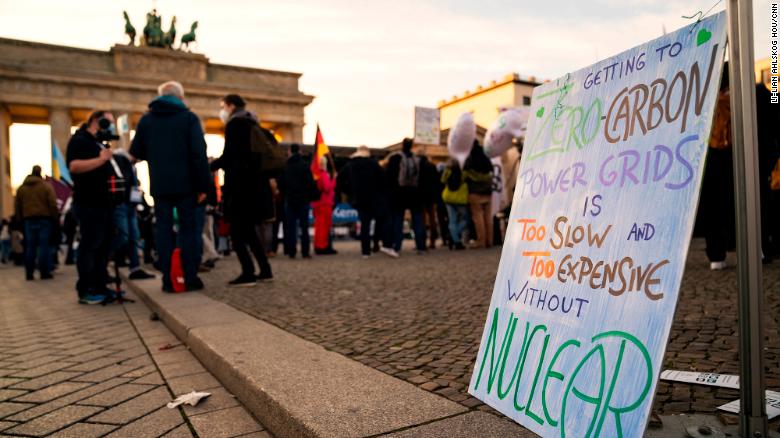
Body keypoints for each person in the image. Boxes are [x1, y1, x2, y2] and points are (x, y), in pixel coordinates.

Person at [130, 81, 212, 292]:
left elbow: (136, 151)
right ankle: (189, 276)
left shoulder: (147, 120)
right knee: (189, 230)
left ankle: (168, 278)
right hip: (188, 185)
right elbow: (198, 153)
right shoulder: (189, 118)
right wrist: (205, 186)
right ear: (181, 97)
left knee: (163, 230)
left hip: (160, 185)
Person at [210, 94, 274, 285]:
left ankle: (248, 272)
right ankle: (265, 271)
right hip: (256, 188)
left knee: (236, 233)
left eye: (223, 106)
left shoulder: (235, 124)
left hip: (240, 189)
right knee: (250, 232)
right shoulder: (254, 124)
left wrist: (211, 166)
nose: (223, 110)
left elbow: (229, 156)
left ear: (230, 105)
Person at [67, 110, 118, 304]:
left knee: (103, 246)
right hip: (88, 203)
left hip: (103, 203)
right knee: (90, 246)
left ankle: (100, 285)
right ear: (96, 121)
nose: (110, 126)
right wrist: (101, 159)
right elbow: (74, 166)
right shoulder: (80, 140)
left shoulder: (97, 142)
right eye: (108, 121)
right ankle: (86, 289)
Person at [111, 150, 155, 280]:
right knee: (124, 236)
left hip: (129, 205)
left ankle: (135, 267)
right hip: (122, 205)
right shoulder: (120, 159)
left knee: (133, 237)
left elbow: (133, 184)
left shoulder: (130, 165)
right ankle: (102, 260)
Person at [337, 145, 387, 258]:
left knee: (365, 224)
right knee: (379, 220)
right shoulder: (374, 164)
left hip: (359, 200)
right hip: (374, 199)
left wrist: (350, 192)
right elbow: (383, 181)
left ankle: (365, 251)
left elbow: (339, 180)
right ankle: (375, 243)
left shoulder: (350, 165)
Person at [14, 165, 58, 280]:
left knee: (30, 246)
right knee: (44, 246)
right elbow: (52, 204)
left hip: (28, 219)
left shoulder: (22, 188)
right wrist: (55, 218)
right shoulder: (45, 186)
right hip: (44, 219)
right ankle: (44, 272)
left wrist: (19, 220)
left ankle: (29, 273)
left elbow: (17, 206)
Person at [385, 138, 426, 256]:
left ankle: (397, 246)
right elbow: (422, 180)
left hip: (399, 194)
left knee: (398, 221)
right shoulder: (418, 159)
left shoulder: (395, 158)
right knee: (417, 221)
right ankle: (421, 246)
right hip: (415, 194)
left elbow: (390, 178)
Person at [279, 143, 316, 259]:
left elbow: (281, 184)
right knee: (304, 227)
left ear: (290, 151)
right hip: (303, 200)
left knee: (291, 228)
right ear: (299, 151)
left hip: (290, 200)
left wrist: (286, 193)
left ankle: (291, 251)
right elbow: (310, 183)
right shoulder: (305, 165)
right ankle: (305, 252)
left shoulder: (285, 166)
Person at [464, 140, 494, 249]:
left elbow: (465, 172)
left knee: (478, 217)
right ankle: (489, 240)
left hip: (474, 191)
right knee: (488, 216)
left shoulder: (470, 159)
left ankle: (481, 241)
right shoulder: (485, 158)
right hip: (487, 191)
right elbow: (492, 170)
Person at [441, 159, 469, 250]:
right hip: (460, 199)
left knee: (452, 220)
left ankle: (454, 237)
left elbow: (442, 180)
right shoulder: (464, 173)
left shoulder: (447, 172)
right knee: (465, 220)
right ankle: (455, 236)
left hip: (448, 198)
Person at [313, 156, 337, 255]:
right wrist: (334, 180)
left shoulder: (316, 175)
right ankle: (322, 246)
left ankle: (319, 245)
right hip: (325, 204)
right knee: (324, 227)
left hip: (318, 204)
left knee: (319, 227)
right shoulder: (323, 175)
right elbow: (327, 188)